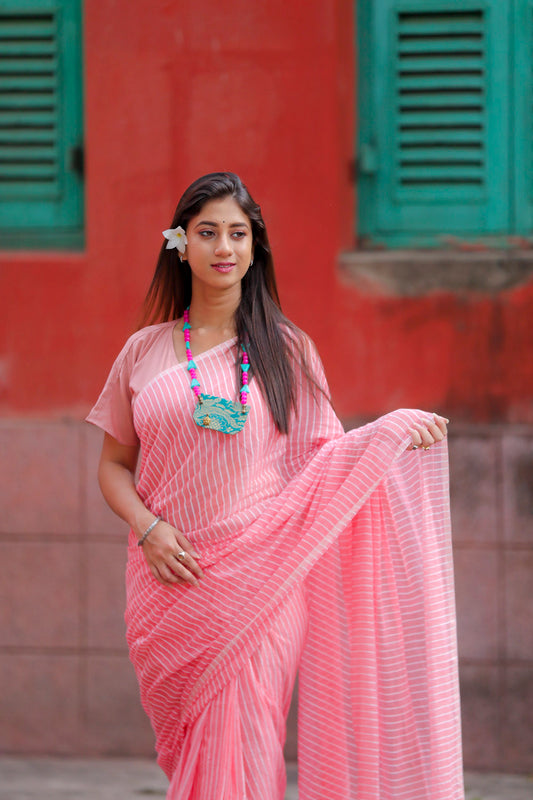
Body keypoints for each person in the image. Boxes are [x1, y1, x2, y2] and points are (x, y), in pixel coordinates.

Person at [87, 172, 464, 800]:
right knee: (195, 758)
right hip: (168, 584)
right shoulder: (143, 352)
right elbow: (112, 466)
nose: (223, 247)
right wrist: (148, 529)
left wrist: (390, 431)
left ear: (255, 248)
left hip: (261, 590)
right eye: (207, 233)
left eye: (238, 233)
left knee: (249, 746)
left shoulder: (286, 351)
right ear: (180, 243)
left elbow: (328, 462)